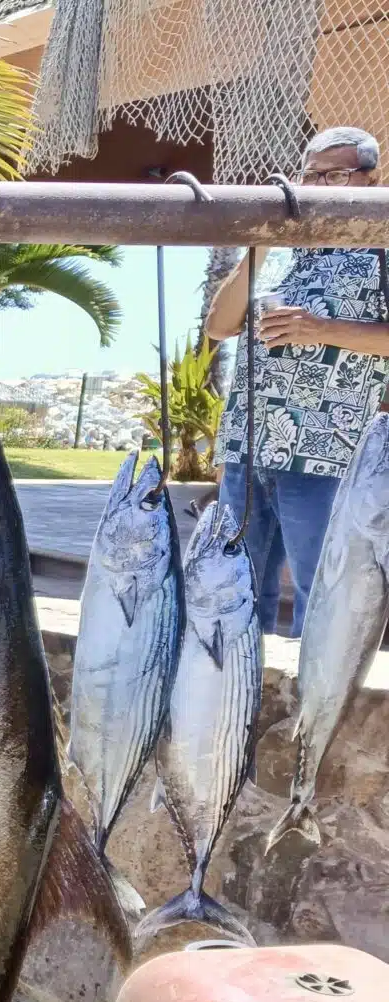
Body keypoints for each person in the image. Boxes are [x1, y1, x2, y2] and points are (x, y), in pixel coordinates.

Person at [205, 125, 389, 634]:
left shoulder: (382, 248)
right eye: (311, 175)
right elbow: (219, 326)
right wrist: (261, 246)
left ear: (371, 181)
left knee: (323, 589)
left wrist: (321, 329)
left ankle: (315, 687)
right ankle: (240, 683)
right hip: (247, 446)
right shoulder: (283, 250)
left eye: (336, 175)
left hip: (327, 450)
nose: (319, 185)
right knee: (235, 589)